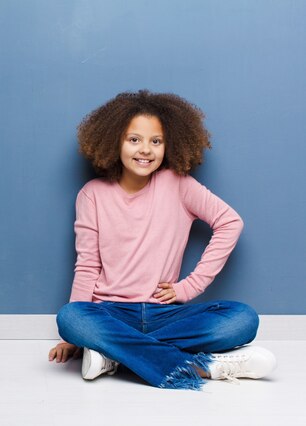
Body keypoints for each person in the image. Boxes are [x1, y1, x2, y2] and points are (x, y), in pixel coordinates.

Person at [48, 90, 276, 390]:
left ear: (169, 145)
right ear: (114, 140)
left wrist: (190, 286)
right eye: (134, 139)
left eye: (156, 141)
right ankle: (206, 367)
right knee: (70, 318)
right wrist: (72, 338)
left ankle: (114, 356)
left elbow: (230, 222)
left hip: (166, 314)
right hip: (109, 312)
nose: (145, 150)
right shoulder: (92, 194)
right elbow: (88, 264)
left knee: (242, 319)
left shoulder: (178, 185)